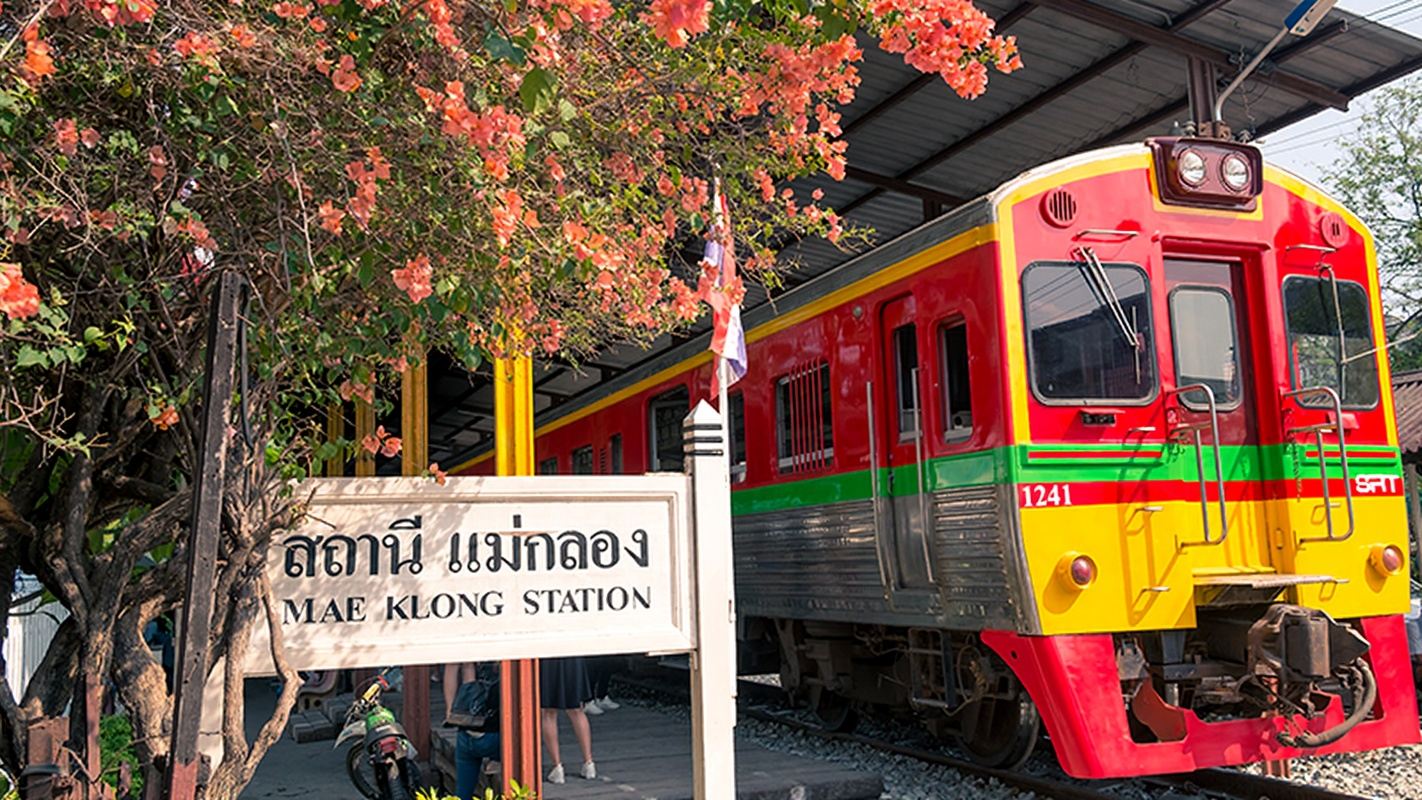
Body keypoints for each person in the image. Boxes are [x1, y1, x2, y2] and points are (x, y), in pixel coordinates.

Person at [540, 656, 596, 783]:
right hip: (571, 654)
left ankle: (557, 767)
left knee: (549, 712)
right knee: (577, 710)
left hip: (548, 656)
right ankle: (589, 763)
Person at [451, 666, 501, 800]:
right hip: (491, 739)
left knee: (462, 792)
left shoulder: (470, 680)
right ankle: (497, 760)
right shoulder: (502, 683)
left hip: (465, 736)